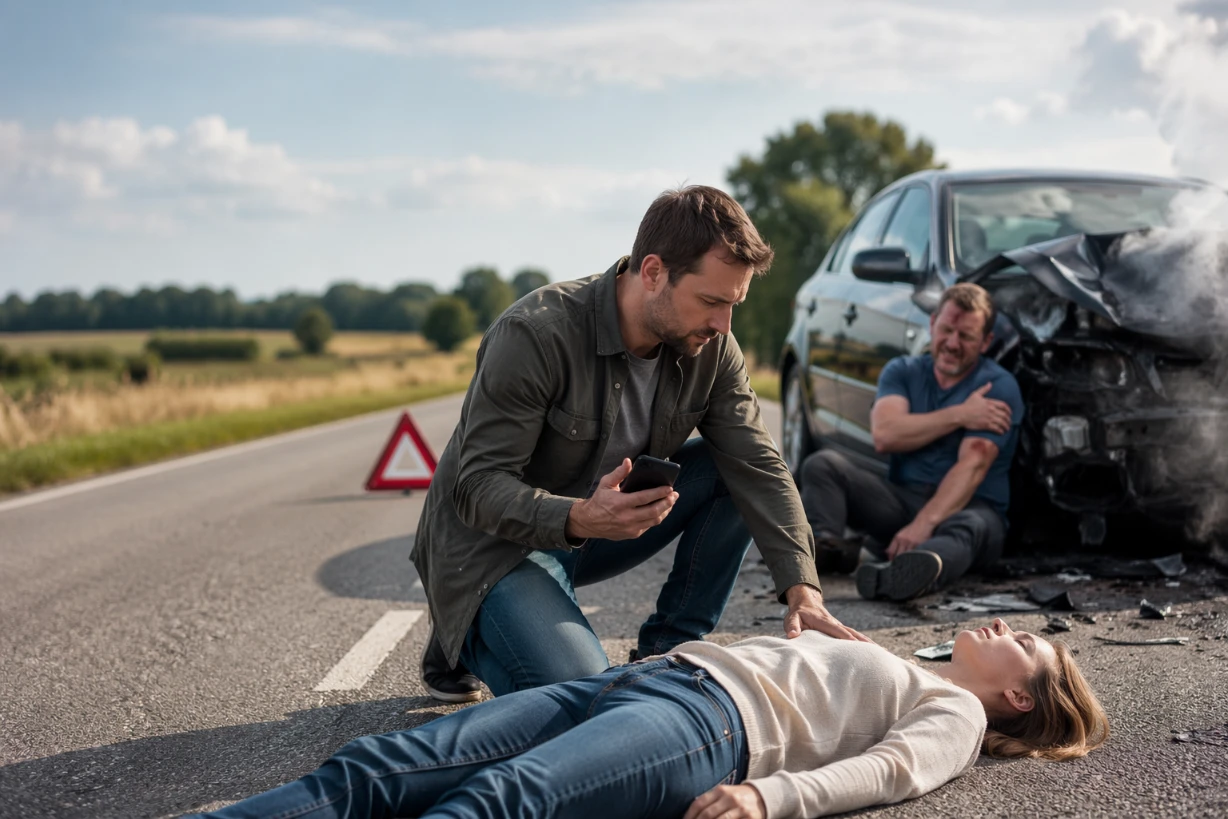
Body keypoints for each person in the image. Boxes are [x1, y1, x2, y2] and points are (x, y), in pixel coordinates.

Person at [415, 186, 864, 703]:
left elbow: (758, 466)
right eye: (712, 302)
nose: (723, 325)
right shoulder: (535, 334)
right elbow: (475, 488)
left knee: (730, 473)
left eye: (734, 305)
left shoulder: (712, 346)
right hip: (492, 547)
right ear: (652, 273)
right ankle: (461, 633)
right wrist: (582, 516)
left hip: (594, 532)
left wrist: (802, 590)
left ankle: (667, 656)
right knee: (586, 704)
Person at [188, 618, 1109, 818]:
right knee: (382, 764)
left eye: (1027, 641)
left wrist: (768, 798)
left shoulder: (952, 708)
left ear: (1021, 695)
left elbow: (893, 771)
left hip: (710, 726)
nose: (1010, 625)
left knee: (498, 801)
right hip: (643, 682)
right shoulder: (913, 662)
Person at [799, 283, 1024, 602]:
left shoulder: (998, 386)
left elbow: (973, 465)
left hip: (969, 507)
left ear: (986, 341)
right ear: (932, 324)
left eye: (966, 336)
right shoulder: (903, 370)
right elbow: (886, 435)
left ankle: (898, 576)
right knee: (823, 465)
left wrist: (924, 524)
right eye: (946, 330)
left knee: (971, 526)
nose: (952, 343)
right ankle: (827, 552)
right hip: (902, 501)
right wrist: (960, 414)